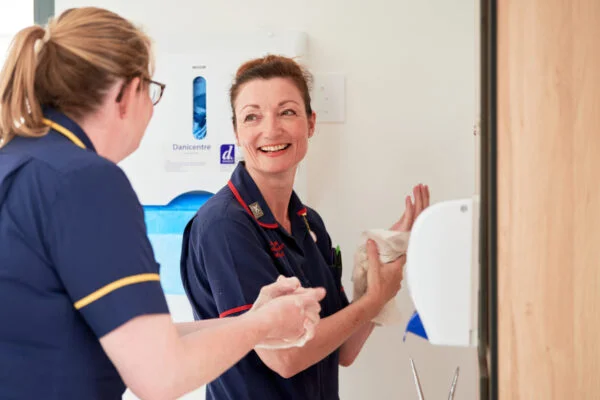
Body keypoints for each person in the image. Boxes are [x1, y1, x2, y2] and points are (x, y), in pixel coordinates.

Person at [0, 9, 326, 400]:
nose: (152, 110)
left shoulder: (20, 162)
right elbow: (160, 376)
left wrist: (257, 320)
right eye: (152, 92)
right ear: (128, 93)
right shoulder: (86, 181)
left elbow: (147, 341)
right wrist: (262, 326)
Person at [180, 54, 431, 400]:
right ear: (237, 132)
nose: (271, 130)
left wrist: (380, 269)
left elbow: (344, 351)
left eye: (287, 112)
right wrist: (373, 301)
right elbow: (284, 357)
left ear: (311, 123)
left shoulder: (309, 223)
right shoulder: (224, 224)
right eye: (252, 116)